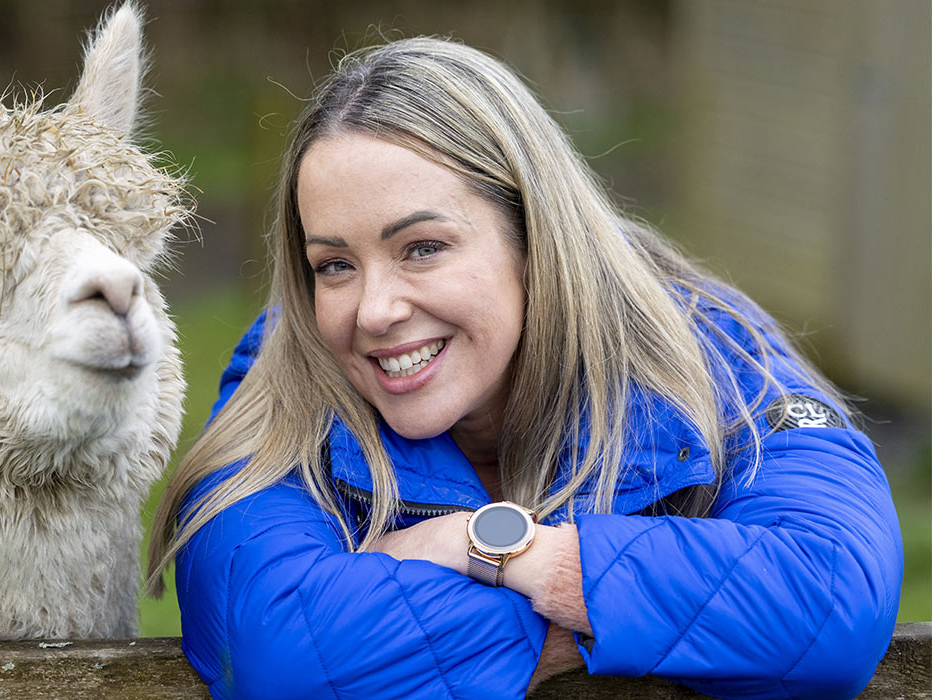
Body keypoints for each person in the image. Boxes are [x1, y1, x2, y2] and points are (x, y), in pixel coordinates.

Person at [145, 36, 903, 700]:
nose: (372, 310)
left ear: (536, 238)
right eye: (334, 264)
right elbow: (283, 654)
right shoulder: (284, 372)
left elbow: (831, 597)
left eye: (423, 247)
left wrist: (502, 551)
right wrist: (624, 623)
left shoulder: (710, 349)